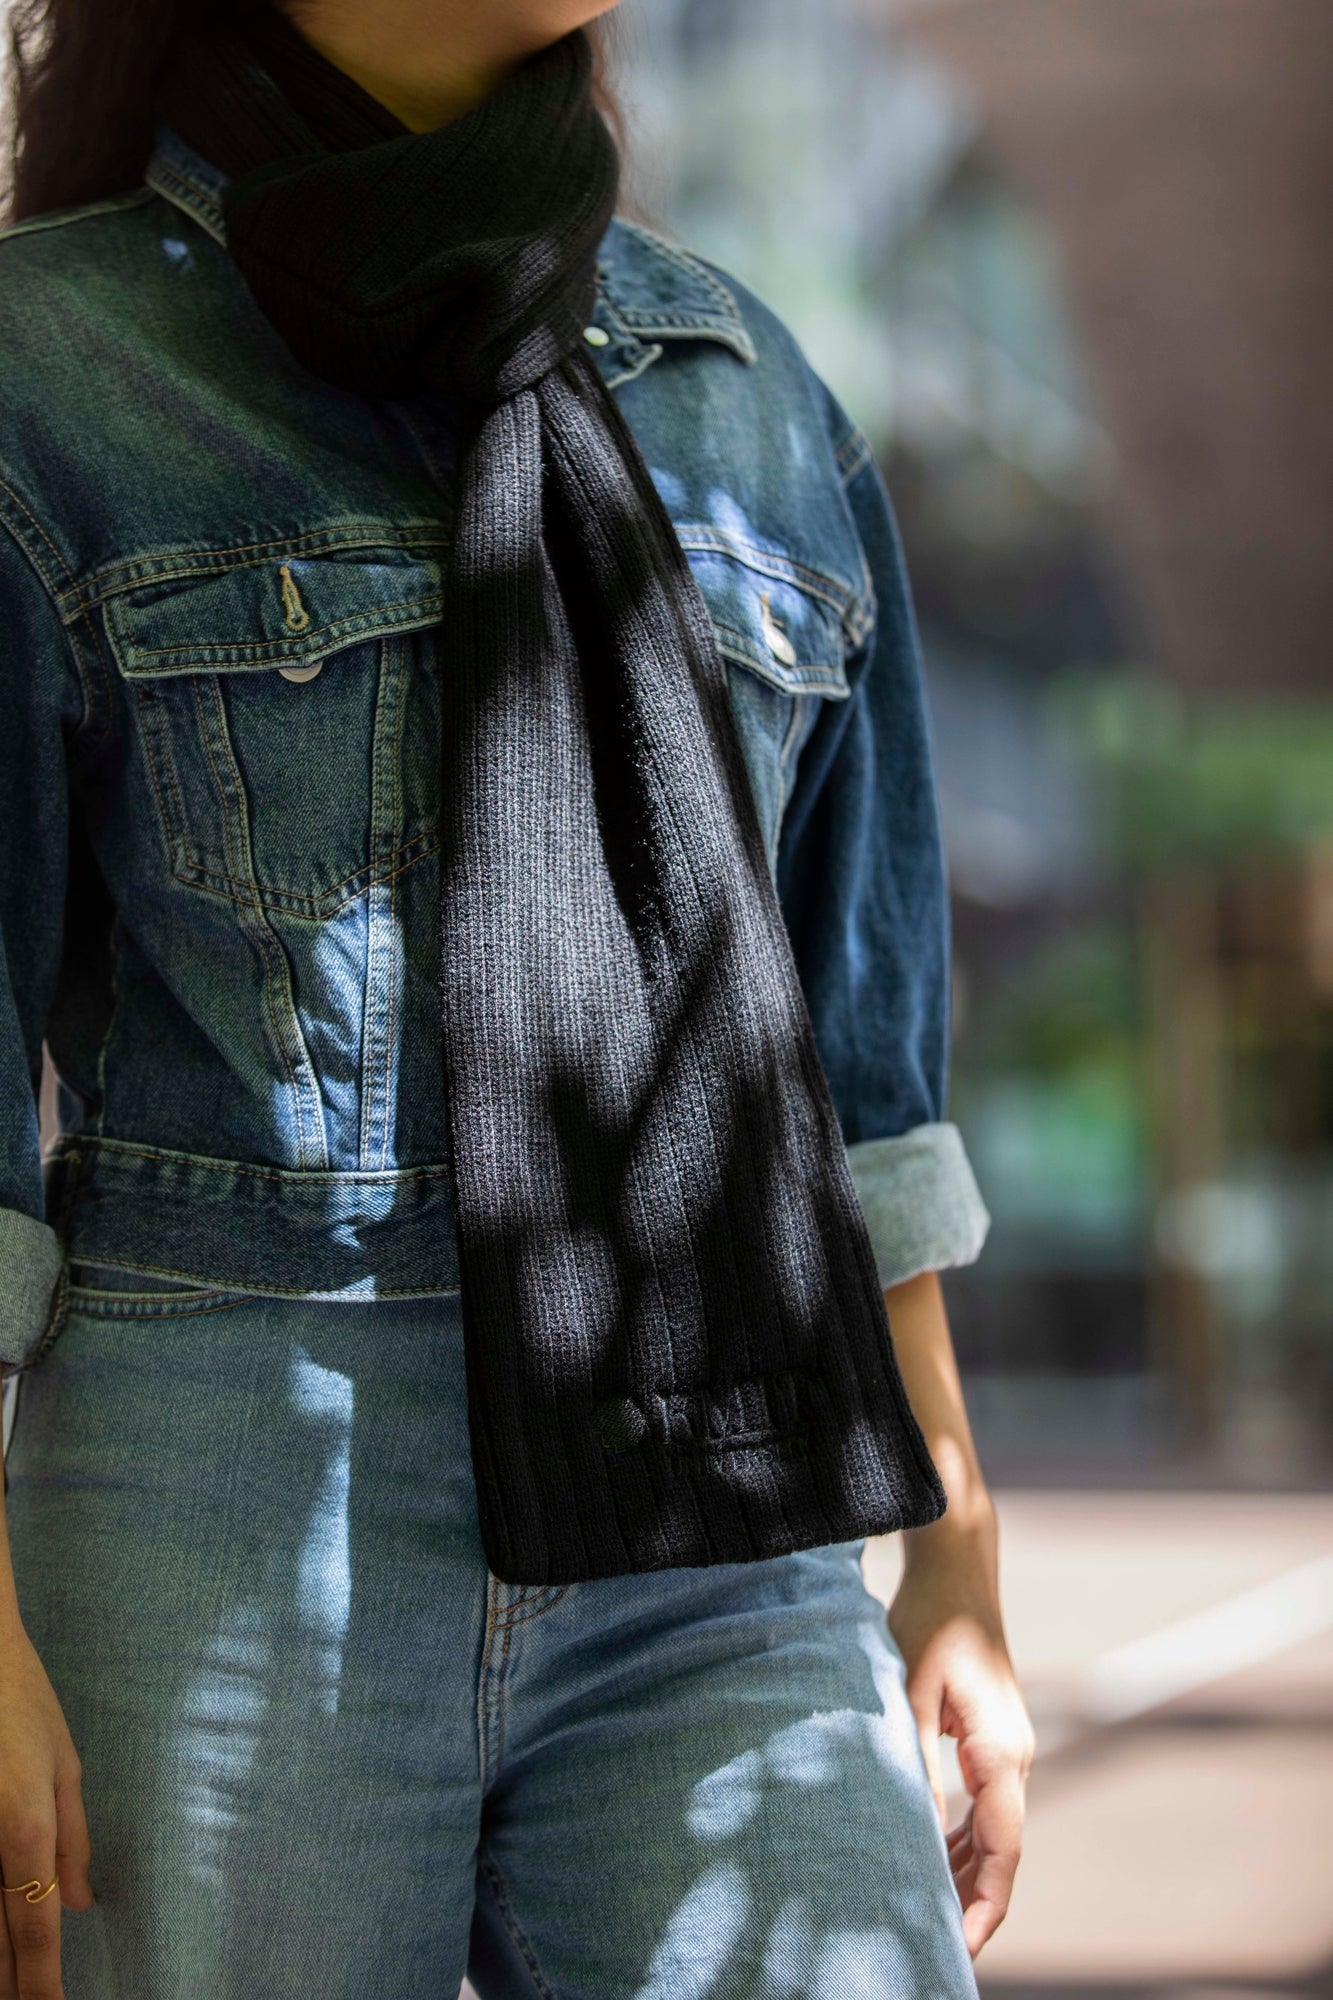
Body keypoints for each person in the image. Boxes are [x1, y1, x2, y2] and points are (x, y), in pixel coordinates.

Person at [0, 0, 1036, 1992]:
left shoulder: (751, 393)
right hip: (222, 1475)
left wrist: (957, 1571)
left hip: (718, 1495)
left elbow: (853, 1079)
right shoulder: (49, 365)